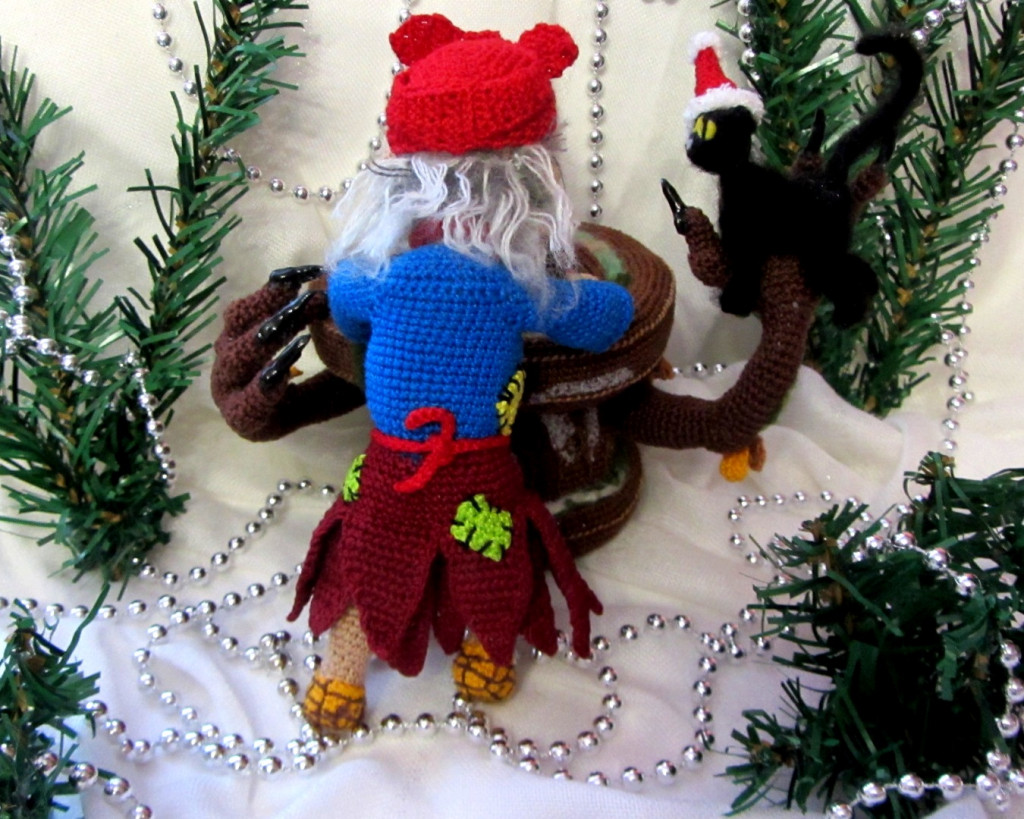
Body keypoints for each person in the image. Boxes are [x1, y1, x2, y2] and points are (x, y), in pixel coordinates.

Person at [286, 13, 635, 736]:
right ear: (528, 181)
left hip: (389, 465)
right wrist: (612, 290)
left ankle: (339, 679)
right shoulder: (516, 287)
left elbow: (344, 301)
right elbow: (604, 316)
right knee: (492, 559)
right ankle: (486, 655)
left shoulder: (383, 277)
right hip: (479, 468)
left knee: (366, 566)